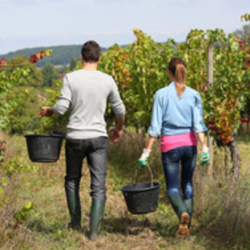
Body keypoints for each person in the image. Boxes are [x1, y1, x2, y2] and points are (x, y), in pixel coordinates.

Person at [39, 41, 125, 240]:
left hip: (75, 138)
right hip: (98, 138)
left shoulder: (71, 77)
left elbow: (61, 108)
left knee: (72, 180)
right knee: (99, 186)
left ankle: (76, 224)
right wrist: (118, 128)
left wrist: (51, 110)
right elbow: (120, 110)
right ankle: (94, 233)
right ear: (99, 58)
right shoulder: (108, 80)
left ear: (81, 57)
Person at [138, 57, 209, 237]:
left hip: (169, 145)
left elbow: (155, 128)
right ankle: (186, 226)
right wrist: (205, 148)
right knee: (187, 184)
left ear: (169, 73)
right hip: (190, 145)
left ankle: (181, 214)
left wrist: (145, 153)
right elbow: (199, 125)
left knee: (172, 188)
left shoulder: (161, 94)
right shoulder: (194, 95)